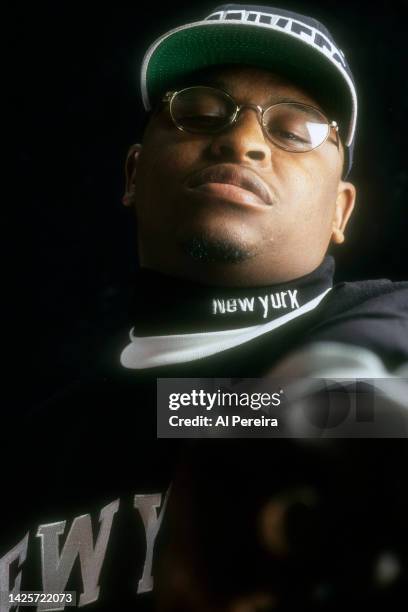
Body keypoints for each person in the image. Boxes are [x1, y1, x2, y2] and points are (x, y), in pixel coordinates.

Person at [2, 4, 407, 612]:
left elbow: (376, 395)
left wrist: (311, 407)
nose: (242, 141)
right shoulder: (32, 450)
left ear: (340, 213)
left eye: (296, 131)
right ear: (134, 173)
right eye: (197, 111)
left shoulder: (388, 322)